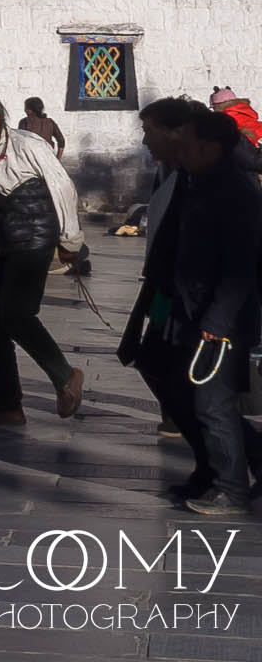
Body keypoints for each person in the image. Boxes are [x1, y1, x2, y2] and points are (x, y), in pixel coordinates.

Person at [123, 100, 262, 513]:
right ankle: (217, 468)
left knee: (209, 397)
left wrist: (218, 319)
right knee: (160, 370)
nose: (146, 140)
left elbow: (240, 266)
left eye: (150, 130)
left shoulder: (231, 188)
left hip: (214, 313)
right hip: (172, 299)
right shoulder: (187, 176)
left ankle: (230, 483)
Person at [0, 91, 84, 427]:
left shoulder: (29, 145)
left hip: (33, 236)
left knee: (15, 312)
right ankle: (4, 407)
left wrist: (70, 239)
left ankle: (65, 375)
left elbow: (62, 188)